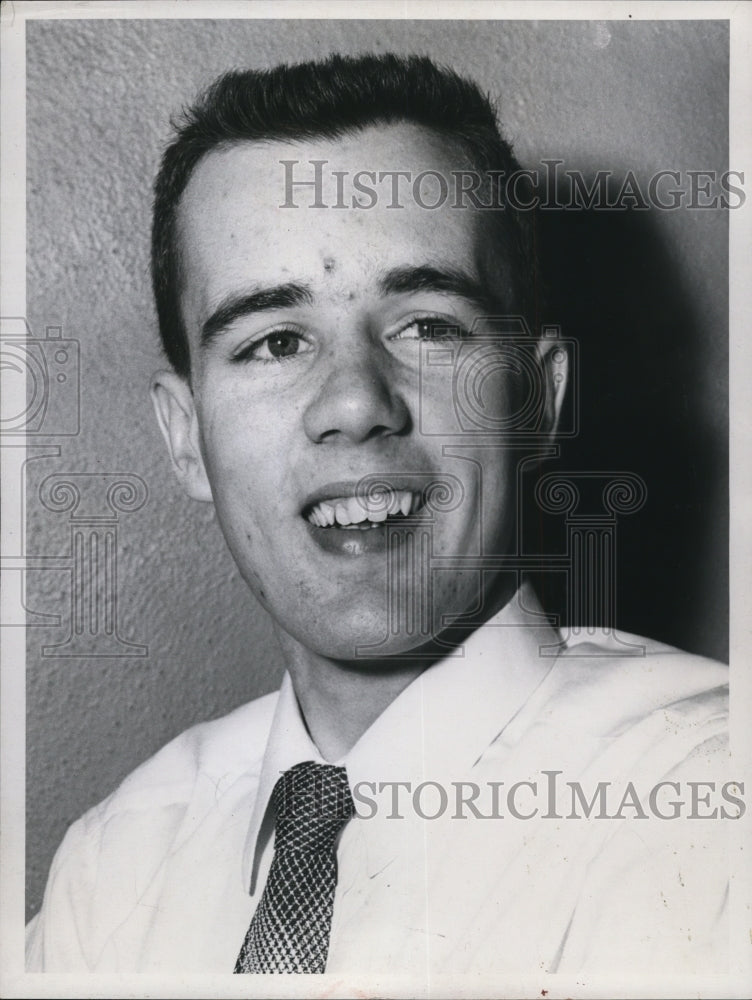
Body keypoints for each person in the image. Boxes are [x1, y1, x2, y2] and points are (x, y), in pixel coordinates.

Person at [25, 53, 732, 979]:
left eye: (430, 325)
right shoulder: (111, 867)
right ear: (186, 436)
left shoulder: (710, 809)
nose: (356, 403)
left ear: (538, 400)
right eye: (274, 341)